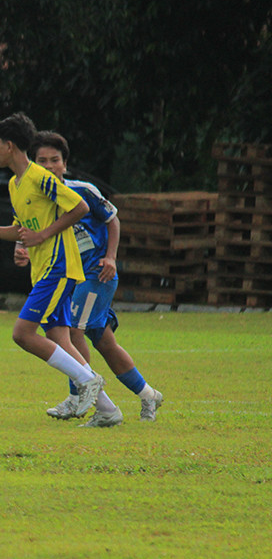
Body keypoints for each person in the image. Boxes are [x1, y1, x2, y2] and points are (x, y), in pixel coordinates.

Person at [16, 131, 164, 424]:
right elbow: (31, 232)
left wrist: (110, 257)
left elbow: (112, 220)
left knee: (71, 333)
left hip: (95, 274)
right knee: (103, 341)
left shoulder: (81, 191)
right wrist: (23, 249)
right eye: (41, 160)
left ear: (65, 164)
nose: (48, 166)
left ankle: (79, 395)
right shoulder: (37, 197)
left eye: (54, 160)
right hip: (67, 275)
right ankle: (148, 394)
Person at [0, 112, 106, 419]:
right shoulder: (17, 185)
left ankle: (87, 381)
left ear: (10, 145)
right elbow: (20, 229)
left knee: (22, 334)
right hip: (42, 269)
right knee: (59, 338)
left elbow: (79, 207)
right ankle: (107, 410)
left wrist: (43, 234)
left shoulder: (40, 177)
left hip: (59, 267)